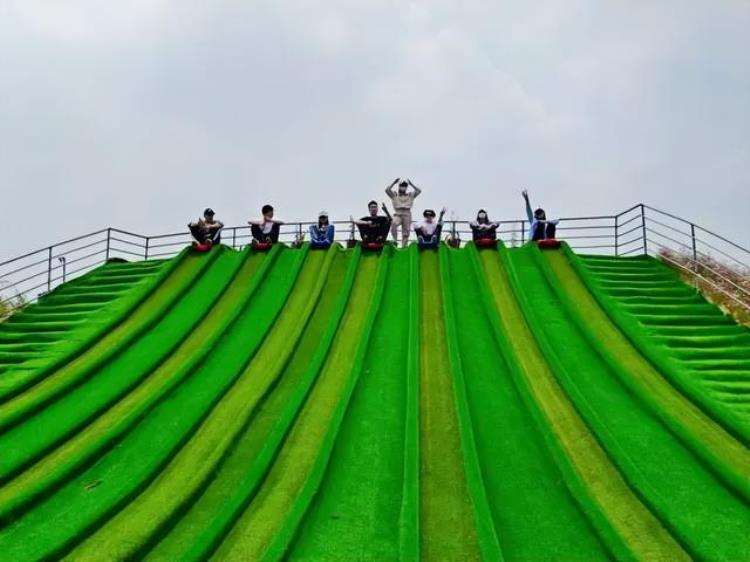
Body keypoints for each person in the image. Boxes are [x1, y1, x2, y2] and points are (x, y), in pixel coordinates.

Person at [386, 177, 422, 247]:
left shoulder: (410, 195)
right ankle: (395, 241)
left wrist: (411, 184)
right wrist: (394, 182)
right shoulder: (394, 195)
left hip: (407, 213)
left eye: (405, 186)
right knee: (393, 223)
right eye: (402, 186)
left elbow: (419, 191)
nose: (403, 188)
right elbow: (387, 190)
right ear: (399, 187)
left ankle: (404, 246)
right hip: (398, 213)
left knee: (406, 232)